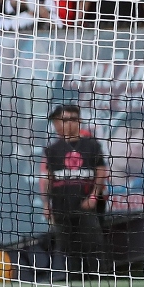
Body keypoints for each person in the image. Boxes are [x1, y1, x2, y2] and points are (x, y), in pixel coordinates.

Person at [42, 104, 108, 277]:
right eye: (63, 120)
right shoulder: (53, 149)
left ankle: (99, 279)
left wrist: (94, 195)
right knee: (68, 248)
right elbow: (48, 177)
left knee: (93, 245)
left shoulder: (91, 145)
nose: (67, 124)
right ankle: (74, 281)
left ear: (79, 121)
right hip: (61, 206)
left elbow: (101, 171)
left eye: (72, 120)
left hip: (86, 205)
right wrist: (46, 204)